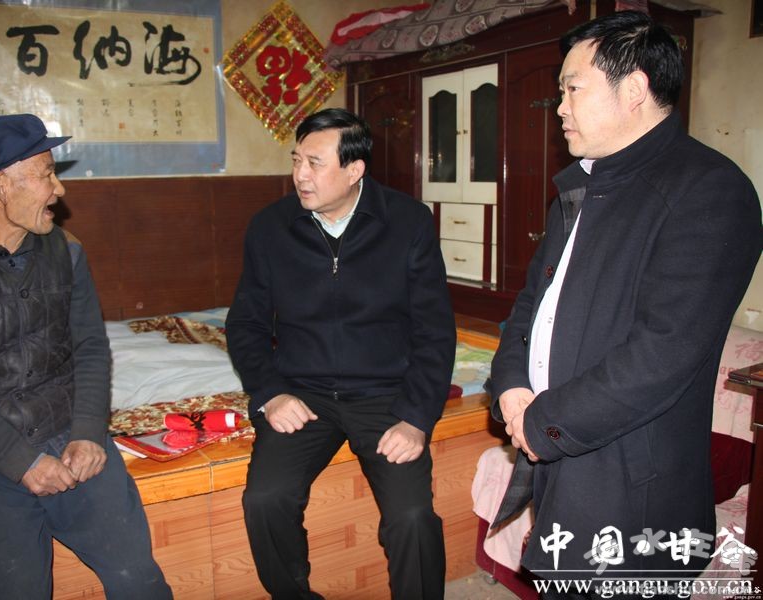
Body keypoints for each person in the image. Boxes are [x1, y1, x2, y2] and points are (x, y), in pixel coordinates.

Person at [488, 9, 762, 594]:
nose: (560, 107)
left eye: (573, 88)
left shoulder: (709, 190)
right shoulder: (582, 187)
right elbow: (531, 305)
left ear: (634, 89)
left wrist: (542, 422)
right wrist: (510, 385)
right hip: (559, 451)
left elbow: (662, 355)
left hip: (630, 479)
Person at [0, 114, 173, 600]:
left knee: (139, 581)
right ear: (2, 184)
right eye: (46, 173)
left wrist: (88, 433)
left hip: (70, 439)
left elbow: (90, 349)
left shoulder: (66, 250)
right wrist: (21, 461)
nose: (58, 189)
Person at [225, 108, 457, 599]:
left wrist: (416, 419)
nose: (300, 175)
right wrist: (270, 394)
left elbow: (434, 331)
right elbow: (245, 324)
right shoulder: (270, 227)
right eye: (296, 160)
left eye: (315, 163)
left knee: (413, 517)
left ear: (355, 170)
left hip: (385, 396)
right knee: (265, 500)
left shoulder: (407, 221)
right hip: (303, 393)